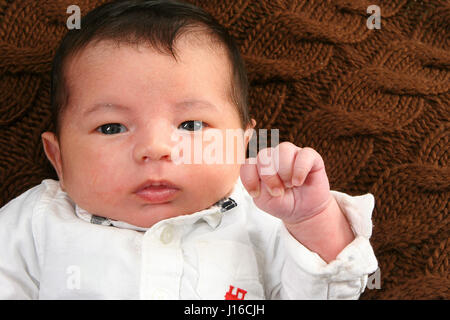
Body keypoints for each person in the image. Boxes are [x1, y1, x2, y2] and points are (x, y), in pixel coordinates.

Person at [0, 0, 377, 299]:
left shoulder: (264, 215)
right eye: (111, 127)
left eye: (192, 125)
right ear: (59, 158)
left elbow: (327, 292)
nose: (156, 148)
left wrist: (311, 218)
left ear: (240, 146)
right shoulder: (34, 224)